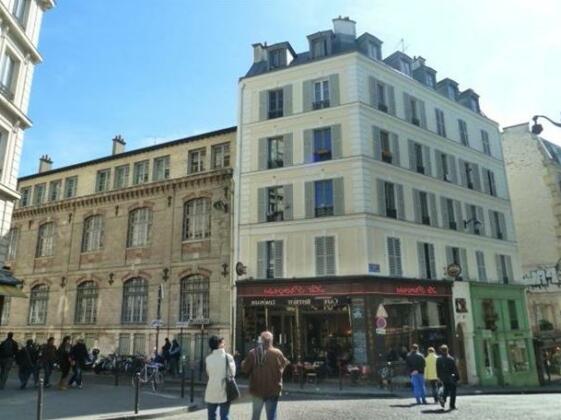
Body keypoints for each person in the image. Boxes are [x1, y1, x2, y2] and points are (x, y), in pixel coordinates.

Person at [242, 331, 289, 420]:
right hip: (273, 388)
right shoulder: (277, 353)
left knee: (256, 415)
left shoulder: (253, 353)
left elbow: (245, 369)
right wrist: (279, 373)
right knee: (271, 415)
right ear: (271, 341)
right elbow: (284, 364)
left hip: (257, 389)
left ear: (261, 340)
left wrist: (243, 363)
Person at [205, 336, 236, 420]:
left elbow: (208, 373)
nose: (224, 343)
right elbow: (232, 373)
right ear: (219, 344)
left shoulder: (208, 359)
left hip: (211, 389)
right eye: (222, 342)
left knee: (211, 416)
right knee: (224, 416)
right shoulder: (228, 357)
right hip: (224, 389)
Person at [436, 344, 460, 411]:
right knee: (453, 391)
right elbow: (455, 369)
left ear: (441, 350)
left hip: (443, 377)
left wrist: (438, 377)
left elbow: (437, 369)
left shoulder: (438, 359)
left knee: (446, 389)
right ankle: (452, 405)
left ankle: (443, 399)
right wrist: (457, 377)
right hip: (451, 377)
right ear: (447, 350)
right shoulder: (451, 359)